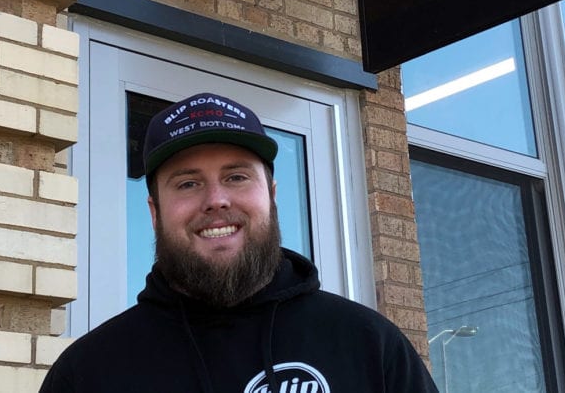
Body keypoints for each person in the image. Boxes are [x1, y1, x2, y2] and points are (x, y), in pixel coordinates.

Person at [39, 92, 441, 393]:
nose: (216, 200)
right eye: (188, 183)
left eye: (236, 177)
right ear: (155, 211)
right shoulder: (89, 373)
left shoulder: (368, 345)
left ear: (272, 194)